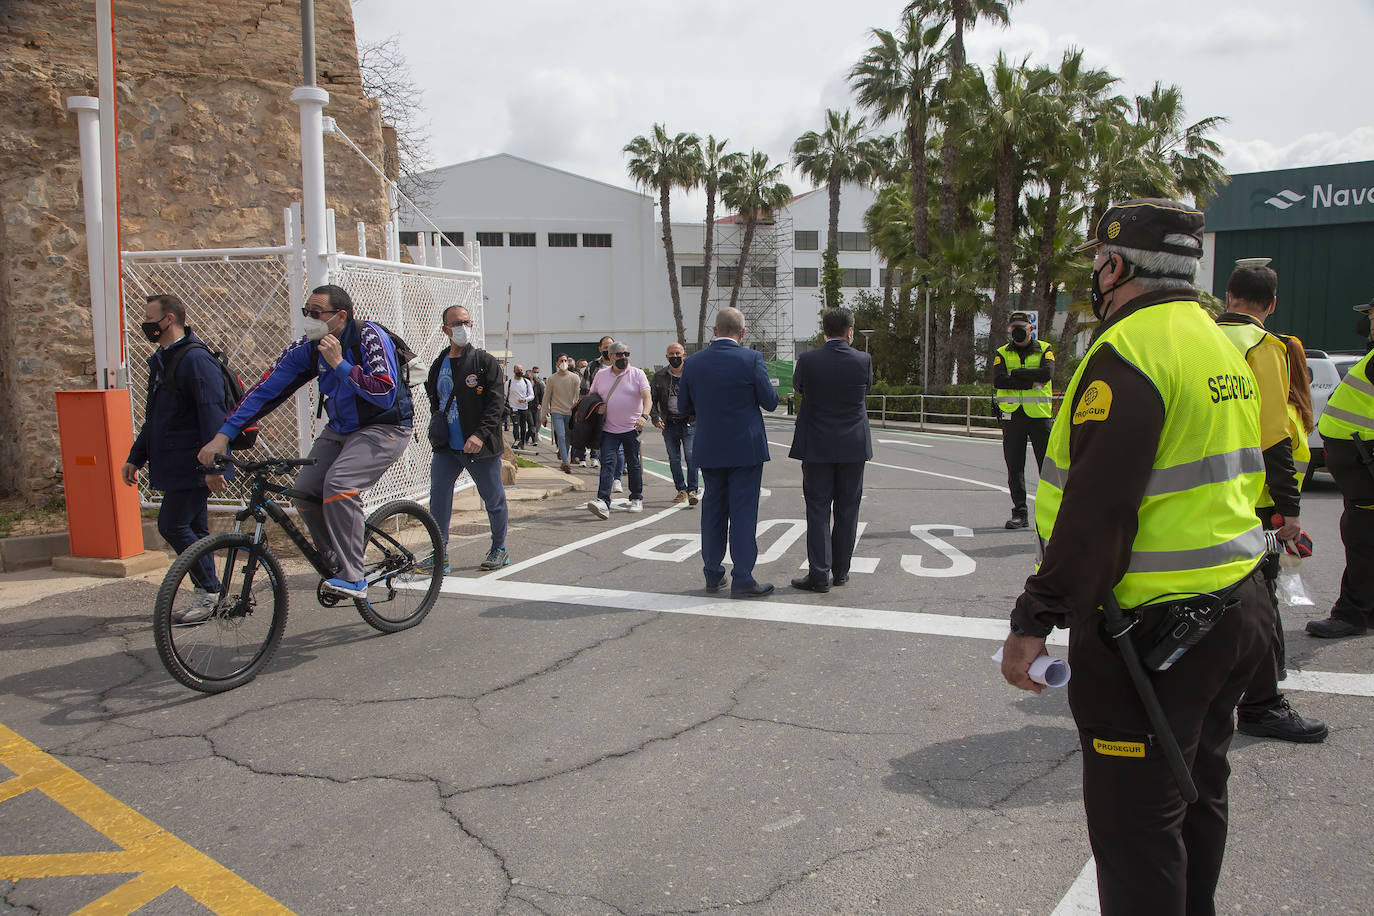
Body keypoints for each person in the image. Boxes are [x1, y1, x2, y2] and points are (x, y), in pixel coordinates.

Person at [999, 199, 1274, 914]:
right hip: (1236, 608)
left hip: (1153, 633)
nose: (1095, 275)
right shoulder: (1222, 342)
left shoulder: (1129, 353)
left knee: (1137, 834)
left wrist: (1035, 617)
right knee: (1197, 798)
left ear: (1116, 266)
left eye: (1098, 262)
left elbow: (1097, 511)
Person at [198, 284, 413, 598]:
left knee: (340, 485)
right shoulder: (309, 346)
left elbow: (384, 393)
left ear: (340, 316)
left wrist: (340, 365)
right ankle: (335, 559)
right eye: (306, 313)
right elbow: (267, 389)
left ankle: (354, 576)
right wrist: (223, 436)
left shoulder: (369, 336)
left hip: (385, 427)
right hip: (341, 429)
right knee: (304, 492)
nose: (309, 319)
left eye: (316, 313)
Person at [1216, 264, 1327, 743]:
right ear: (1272, 304)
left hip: (1196, 495)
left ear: (1227, 296)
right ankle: (1262, 703)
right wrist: (1291, 510)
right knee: (1259, 599)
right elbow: (1274, 436)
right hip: (1252, 498)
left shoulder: (1202, 338)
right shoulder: (1264, 348)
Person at [122, 294, 230, 624]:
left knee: (172, 525)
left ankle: (209, 592)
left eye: (150, 318)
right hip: (177, 462)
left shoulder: (194, 360)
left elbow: (213, 414)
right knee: (194, 528)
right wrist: (135, 457)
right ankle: (212, 594)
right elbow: (154, 418)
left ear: (169, 319)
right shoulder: (165, 359)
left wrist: (213, 466)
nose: (145, 324)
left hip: (192, 463)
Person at [678, 307, 779, 597]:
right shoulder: (752, 359)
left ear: (714, 330)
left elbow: (684, 406)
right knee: (743, 513)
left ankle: (713, 573)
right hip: (746, 448)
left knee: (713, 511)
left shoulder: (693, 363)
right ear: (743, 332)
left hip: (709, 446)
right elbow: (770, 402)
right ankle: (743, 577)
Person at [788, 307, 873, 593]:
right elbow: (866, 390)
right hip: (853, 444)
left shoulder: (808, 360)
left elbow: (799, 387)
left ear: (824, 331)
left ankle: (819, 573)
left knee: (818, 508)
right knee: (848, 508)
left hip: (817, 444)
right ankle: (842, 571)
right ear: (850, 331)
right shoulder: (863, 359)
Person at [1307, 295, 1374, 639]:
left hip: (1366, 465)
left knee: (1361, 538)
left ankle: (1351, 615)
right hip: (1360, 464)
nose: (1369, 322)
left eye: (1373, 315)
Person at [425, 304, 509, 573]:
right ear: (445, 329)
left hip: (478, 447)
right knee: (438, 498)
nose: (463, 327)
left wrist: (479, 434)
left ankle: (499, 548)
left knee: (493, 499)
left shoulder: (484, 362)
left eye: (467, 322)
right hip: (446, 448)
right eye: (457, 323)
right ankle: (440, 554)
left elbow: (496, 405)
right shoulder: (438, 364)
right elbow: (435, 401)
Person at [993, 310, 1054, 529]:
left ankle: (1051, 514)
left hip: (1039, 417)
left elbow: (1046, 375)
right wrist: (1030, 380)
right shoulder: (1001, 353)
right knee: (1015, 467)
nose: (1017, 331)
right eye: (1013, 328)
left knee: (1047, 468)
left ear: (1031, 328)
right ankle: (1020, 513)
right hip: (1012, 417)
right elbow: (999, 381)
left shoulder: (1045, 349)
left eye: (1021, 327)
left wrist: (1016, 374)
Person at [585, 340, 651, 518]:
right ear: (610, 356)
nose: (624, 358)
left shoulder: (637, 374)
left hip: (632, 428)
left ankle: (636, 497)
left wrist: (644, 416)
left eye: (626, 354)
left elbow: (647, 397)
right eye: (619, 354)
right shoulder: (601, 375)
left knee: (633, 463)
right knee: (607, 463)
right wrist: (597, 406)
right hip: (608, 429)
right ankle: (603, 501)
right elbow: (593, 396)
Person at [650, 342, 698, 506]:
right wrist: (656, 418)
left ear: (684, 355)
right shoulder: (660, 376)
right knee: (674, 459)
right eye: (671, 354)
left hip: (689, 422)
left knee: (691, 457)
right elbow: (652, 400)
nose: (675, 356)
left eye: (678, 353)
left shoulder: (692, 374)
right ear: (666, 356)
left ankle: (692, 490)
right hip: (669, 423)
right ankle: (681, 490)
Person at [541, 354, 580, 473]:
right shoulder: (552, 379)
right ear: (557, 364)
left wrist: (577, 412)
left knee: (568, 438)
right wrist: (543, 414)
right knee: (561, 436)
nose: (563, 362)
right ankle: (565, 461)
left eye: (565, 360)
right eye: (561, 361)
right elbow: (546, 397)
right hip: (556, 411)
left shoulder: (575, 378)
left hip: (570, 412)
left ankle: (563, 453)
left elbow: (577, 397)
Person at [507, 364, 534, 449]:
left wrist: (525, 399)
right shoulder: (509, 383)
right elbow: (505, 395)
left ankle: (522, 442)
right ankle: (516, 441)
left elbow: (531, 395)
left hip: (524, 407)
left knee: (523, 426)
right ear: (514, 371)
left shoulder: (526, 382)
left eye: (521, 370)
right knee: (516, 425)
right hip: (513, 407)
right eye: (518, 370)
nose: (520, 372)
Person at [528, 366, 545, 449]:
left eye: (537, 372)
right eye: (534, 372)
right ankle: (534, 440)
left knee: (537, 422)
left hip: (536, 406)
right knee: (531, 424)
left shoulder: (540, 383)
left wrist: (541, 404)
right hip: (528, 406)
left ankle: (528, 437)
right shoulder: (527, 382)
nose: (535, 374)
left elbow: (542, 394)